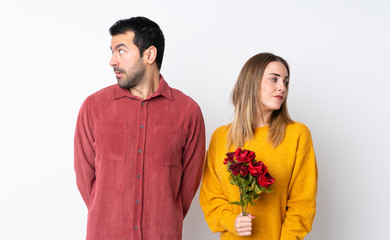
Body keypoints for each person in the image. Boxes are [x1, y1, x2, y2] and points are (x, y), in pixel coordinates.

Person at [74, 16, 205, 240]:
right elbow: (86, 179)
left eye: (121, 51)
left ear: (149, 55)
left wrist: (163, 219)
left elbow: (188, 186)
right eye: (112, 51)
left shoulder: (188, 112)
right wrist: (109, 216)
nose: (112, 61)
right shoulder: (94, 108)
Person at [199, 53, 317, 240]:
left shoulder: (297, 135)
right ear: (251, 82)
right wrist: (232, 221)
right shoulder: (221, 138)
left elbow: (302, 204)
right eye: (274, 79)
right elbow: (210, 199)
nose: (282, 88)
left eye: (285, 82)